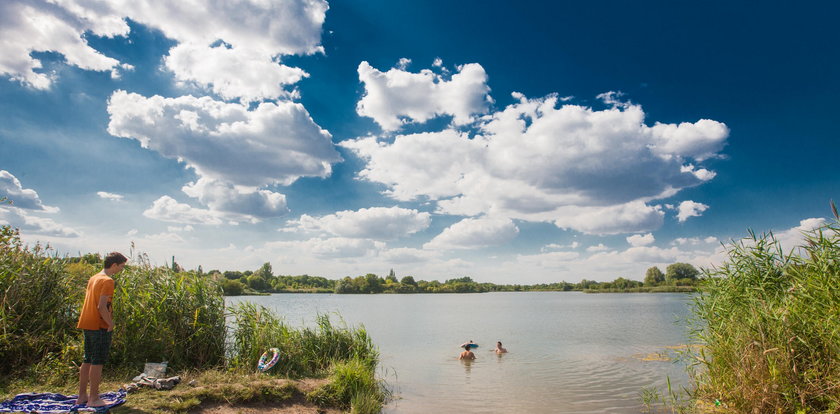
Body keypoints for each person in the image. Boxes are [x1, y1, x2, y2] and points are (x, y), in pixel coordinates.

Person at [75, 252, 127, 407]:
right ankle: (94, 399)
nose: (121, 269)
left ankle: (82, 396)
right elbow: (102, 306)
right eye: (121, 266)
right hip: (99, 325)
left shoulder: (94, 278)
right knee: (97, 362)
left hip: (87, 323)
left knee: (87, 360)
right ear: (114, 265)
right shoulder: (107, 281)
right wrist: (110, 323)